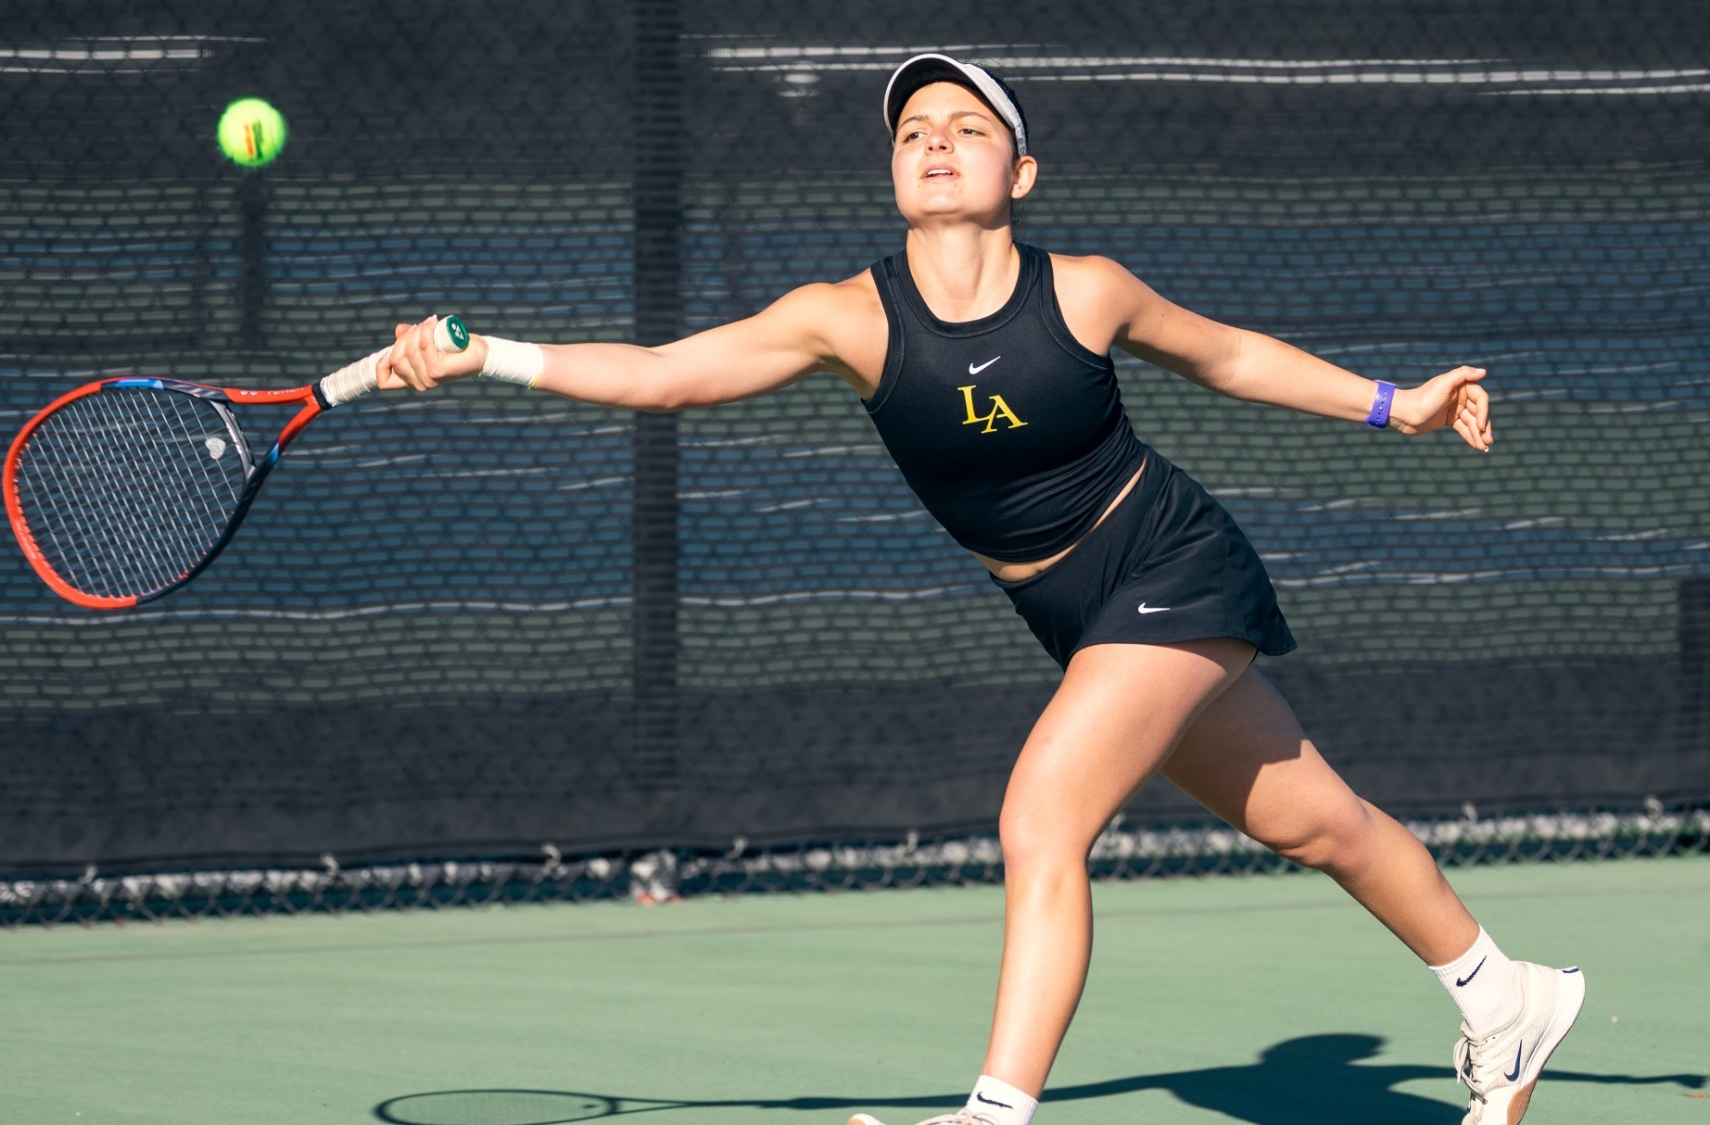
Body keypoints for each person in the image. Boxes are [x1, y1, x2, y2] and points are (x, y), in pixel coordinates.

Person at [378, 53, 1582, 1125]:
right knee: (1319, 825)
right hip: (1067, 614)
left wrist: (1394, 403)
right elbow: (661, 375)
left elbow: (1226, 356)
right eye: (911, 132)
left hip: (1163, 563)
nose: (934, 141)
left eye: (964, 125)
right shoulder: (840, 319)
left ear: (1022, 168)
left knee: (1039, 820)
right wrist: (490, 353)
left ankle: (993, 1117)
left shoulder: (1086, 290)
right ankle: (1503, 997)